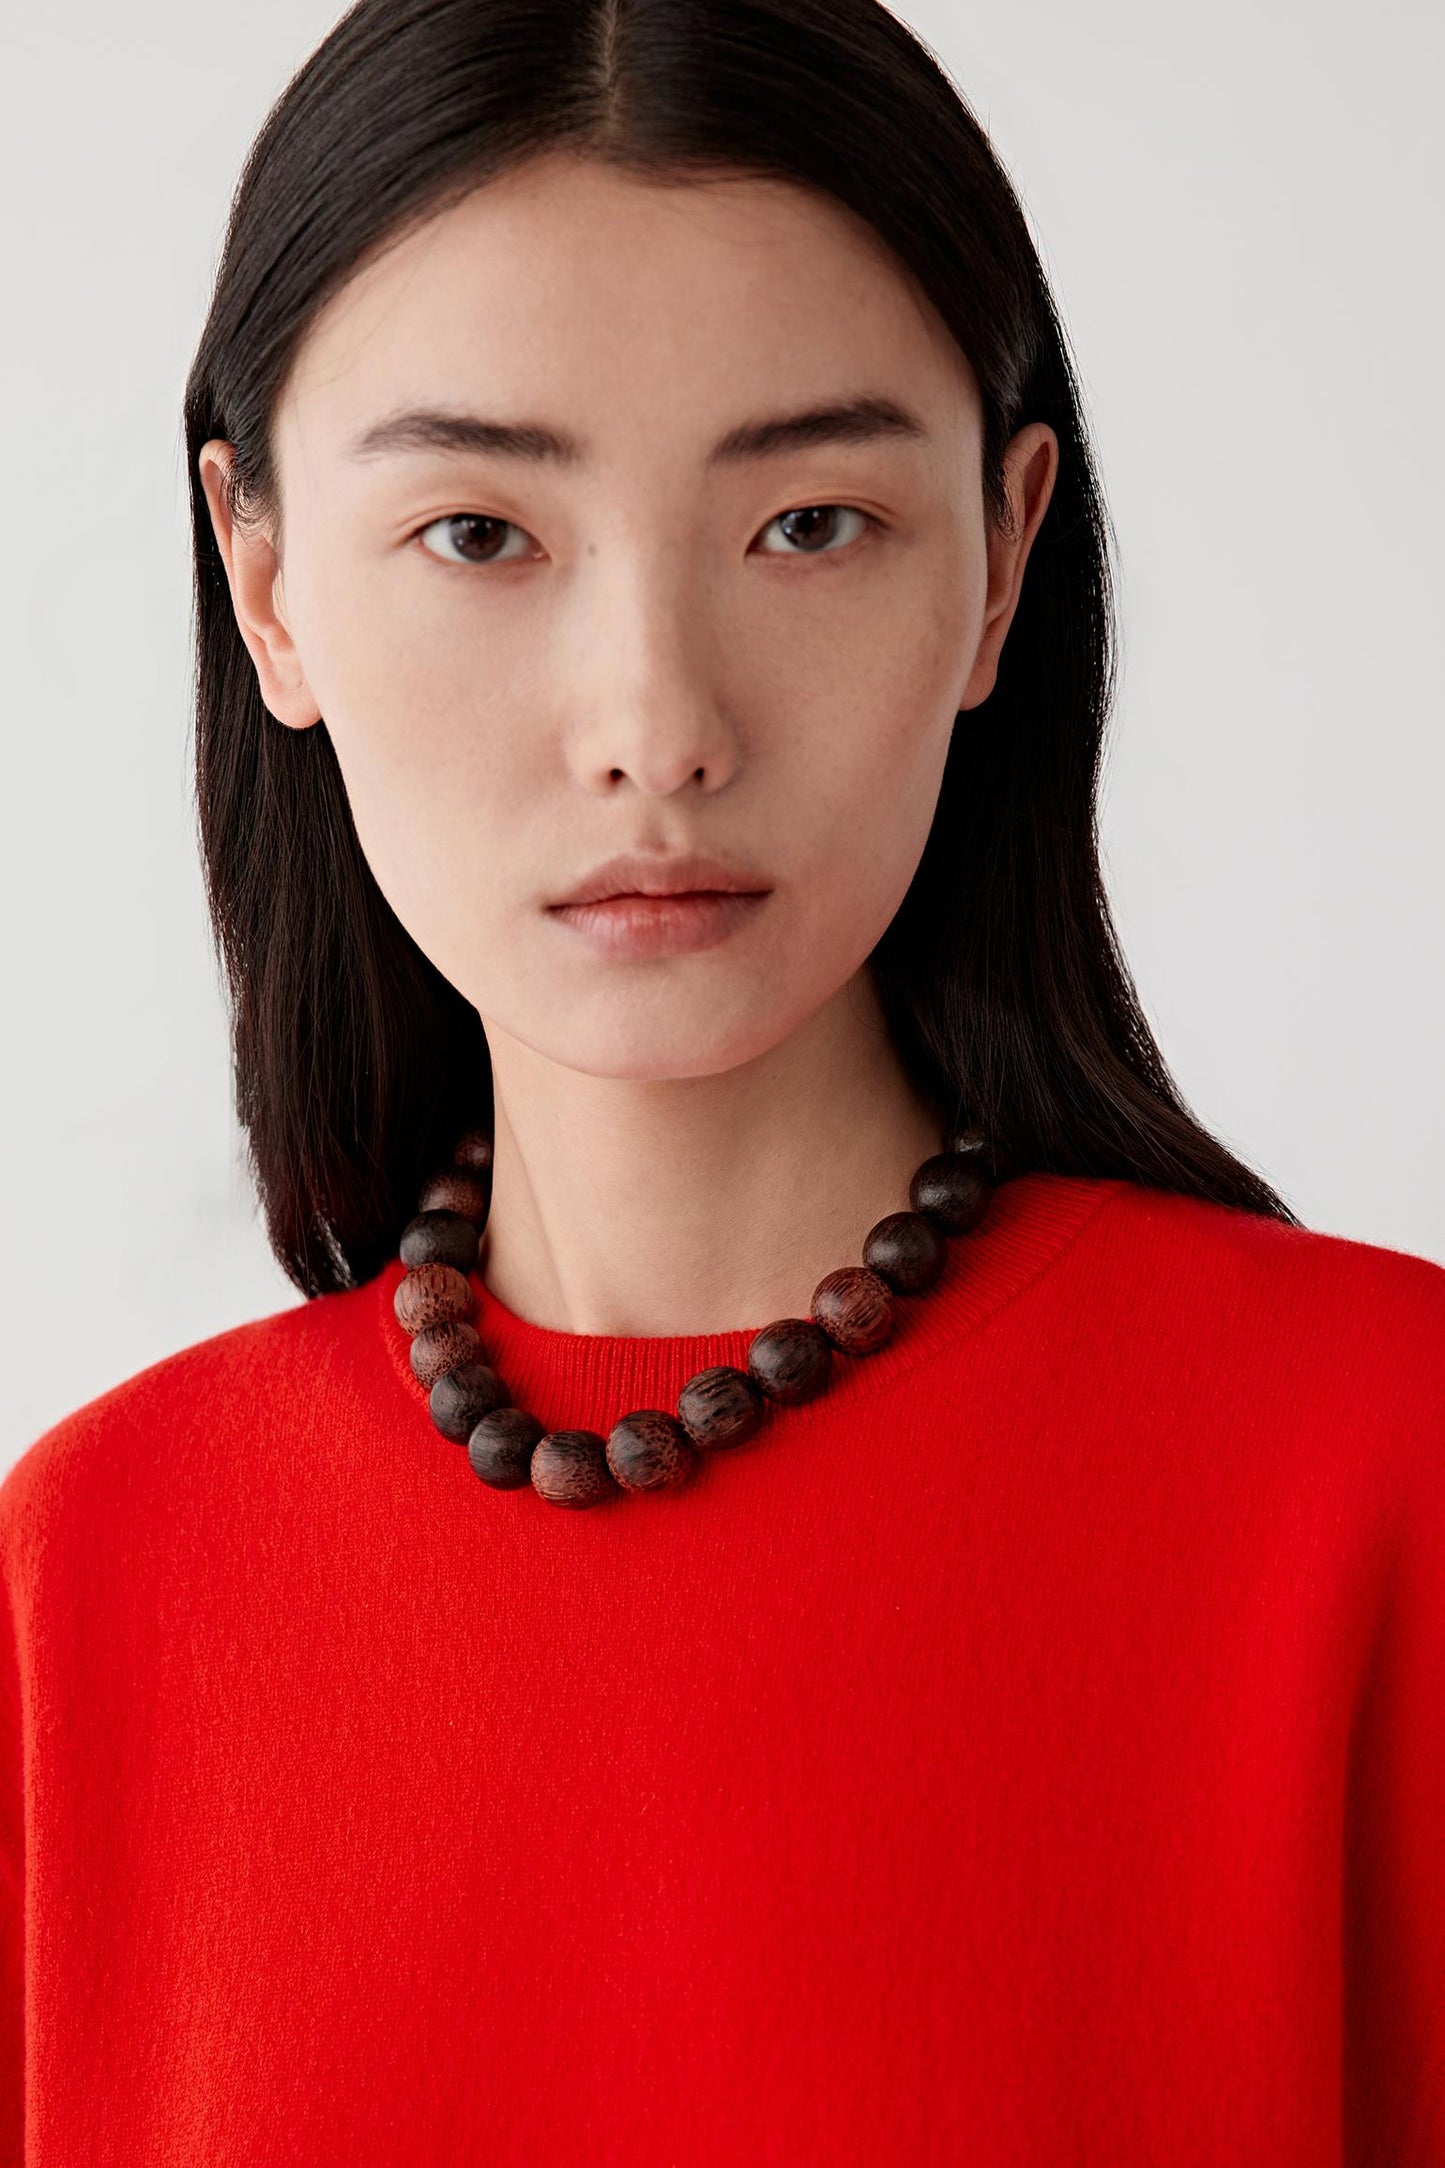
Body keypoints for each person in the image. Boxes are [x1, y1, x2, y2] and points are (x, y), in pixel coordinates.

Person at [2, 0, 1440, 2159]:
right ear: (267, 581)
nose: (655, 724)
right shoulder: (81, 1584)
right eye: (482, 533)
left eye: (811, 525)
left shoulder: (1386, 1482)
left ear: (1004, 556)